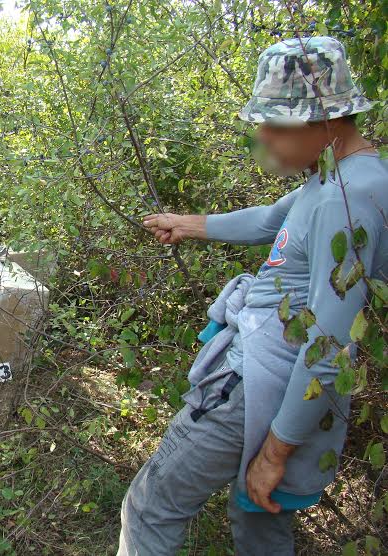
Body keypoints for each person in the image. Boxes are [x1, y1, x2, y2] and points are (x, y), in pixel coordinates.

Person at [117, 37, 387, 555]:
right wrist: (186, 224)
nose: (263, 136)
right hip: (274, 382)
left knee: (150, 507)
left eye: (276, 124)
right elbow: (270, 220)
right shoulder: (341, 176)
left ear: (326, 121)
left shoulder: (343, 201)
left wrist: (276, 451)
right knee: (258, 516)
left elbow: (329, 348)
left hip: (256, 384)